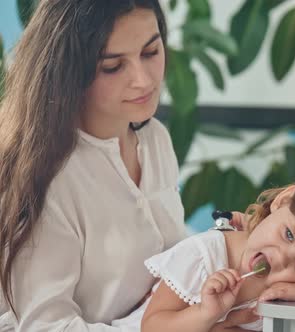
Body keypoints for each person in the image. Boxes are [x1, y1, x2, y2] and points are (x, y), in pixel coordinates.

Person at [0, 1, 189, 330]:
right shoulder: (50, 176)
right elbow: (44, 326)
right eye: (113, 66)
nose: (143, 80)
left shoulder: (156, 140)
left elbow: (170, 266)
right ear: (70, 71)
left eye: (150, 52)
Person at [104, 179, 295, 331]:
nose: (282, 259)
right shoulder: (205, 255)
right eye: (288, 234)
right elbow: (152, 327)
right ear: (282, 200)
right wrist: (205, 315)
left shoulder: (292, 284)